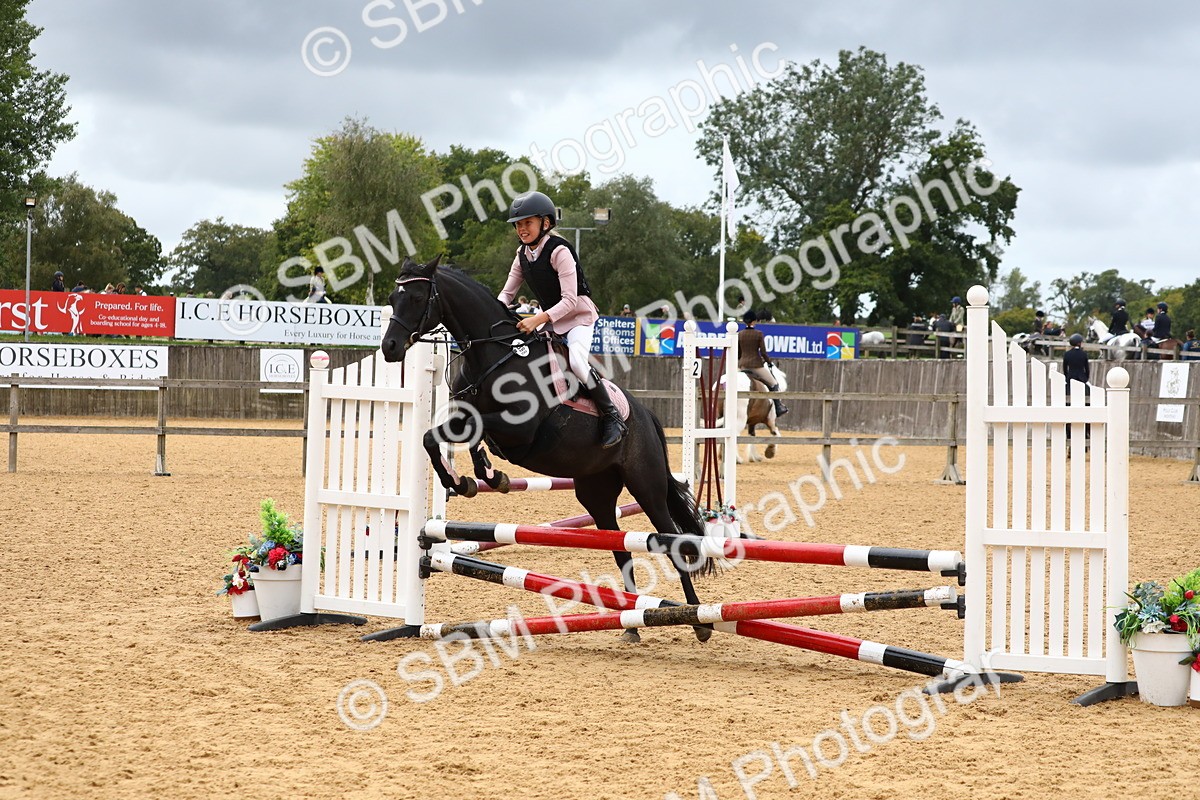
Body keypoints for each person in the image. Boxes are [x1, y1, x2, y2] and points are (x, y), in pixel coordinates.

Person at [497, 190, 625, 448]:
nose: (522, 229)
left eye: (527, 223)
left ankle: (612, 417)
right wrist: (490, 314)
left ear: (545, 223)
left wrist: (536, 320)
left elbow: (569, 300)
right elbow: (507, 293)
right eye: (518, 224)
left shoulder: (560, 251)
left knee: (577, 361)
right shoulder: (522, 255)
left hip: (577, 315)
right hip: (552, 319)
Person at [737, 310, 787, 416]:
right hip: (755, 366)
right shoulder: (758, 334)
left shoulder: (740, 334)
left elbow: (738, 353)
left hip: (742, 365)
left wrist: (740, 363)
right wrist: (768, 362)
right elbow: (763, 352)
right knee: (774, 383)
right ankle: (778, 407)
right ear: (754, 321)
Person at [1063, 333, 1090, 441]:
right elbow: (1087, 369)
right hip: (1082, 380)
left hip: (1070, 380)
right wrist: (1086, 378)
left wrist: (1067, 378)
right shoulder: (1084, 354)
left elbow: (1065, 369)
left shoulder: (1067, 354)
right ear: (1079, 342)